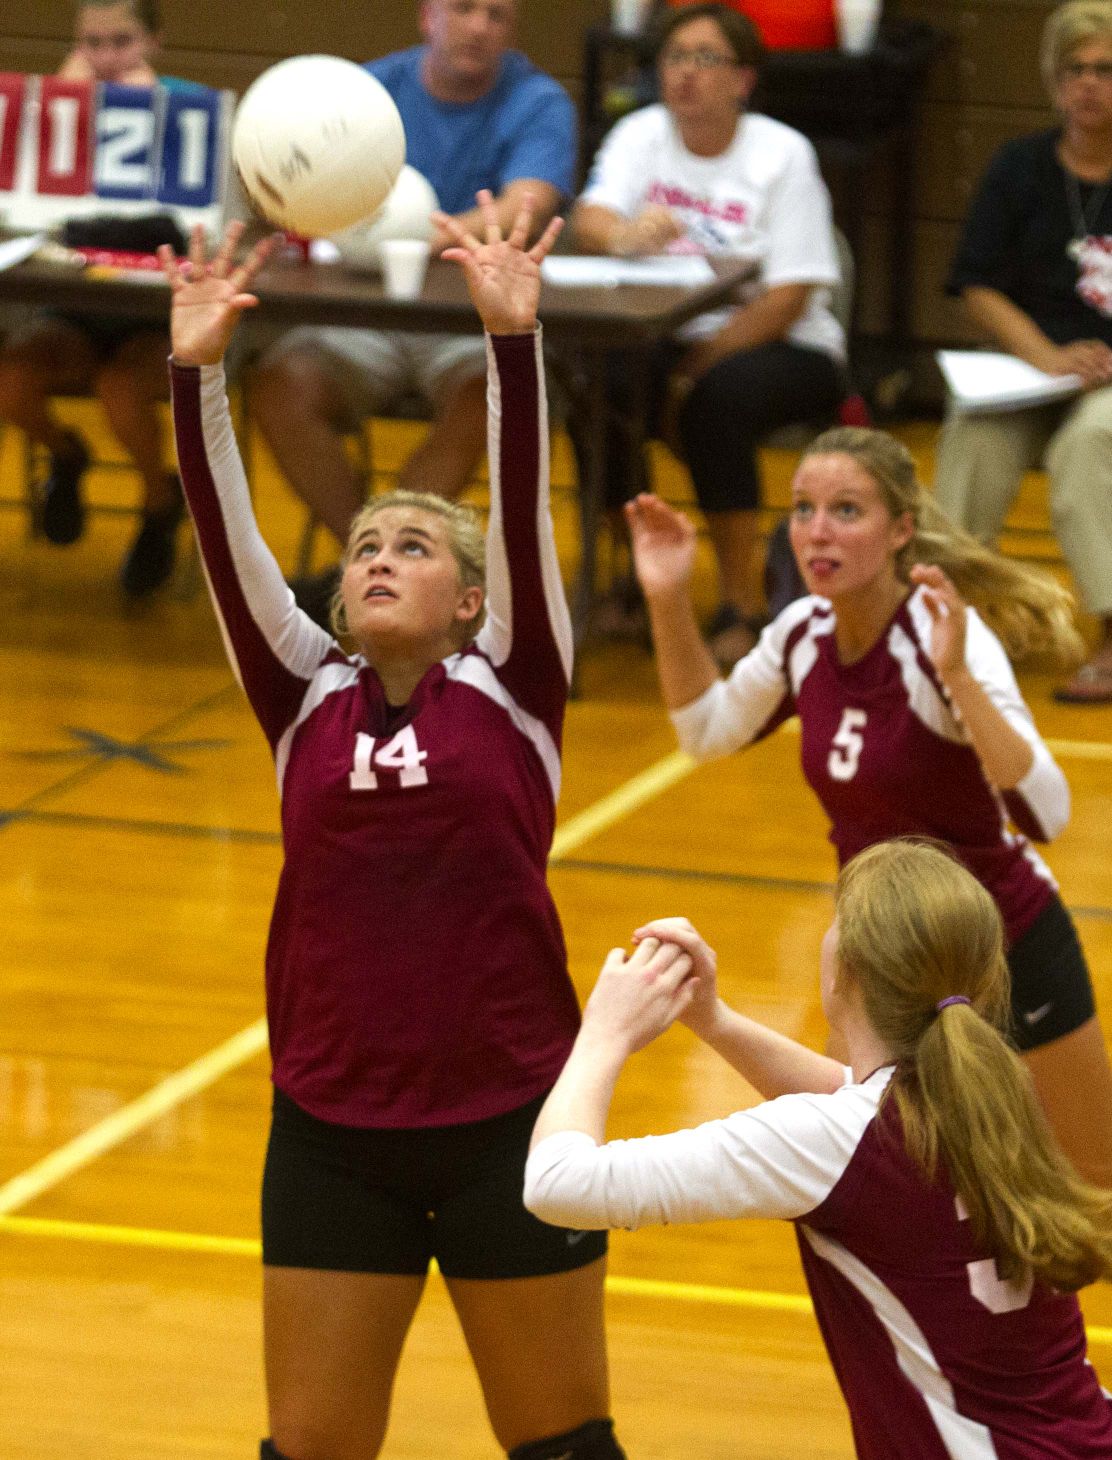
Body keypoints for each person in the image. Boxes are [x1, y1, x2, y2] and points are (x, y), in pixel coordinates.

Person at [161, 197, 627, 1460]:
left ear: (469, 598)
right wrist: (195, 371)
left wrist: (511, 340)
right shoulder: (301, 693)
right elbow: (223, 532)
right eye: (364, 543)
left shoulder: (515, 678)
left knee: (562, 1445)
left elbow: (520, 506)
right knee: (308, 1449)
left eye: (411, 545)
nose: (374, 556)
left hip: (510, 1120)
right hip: (332, 1130)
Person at [625, 424, 1112, 1187]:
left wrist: (959, 679)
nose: (818, 531)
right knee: (878, 1190)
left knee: (1093, 1184)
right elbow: (705, 731)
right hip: (880, 957)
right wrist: (668, 596)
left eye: (846, 511)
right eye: (804, 509)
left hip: (1003, 945)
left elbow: (1046, 815)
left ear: (901, 530)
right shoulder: (802, 634)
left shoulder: (941, 637)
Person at [524, 838, 1112, 1457]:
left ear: (844, 972)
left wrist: (603, 1033)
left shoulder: (842, 1141)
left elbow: (557, 1184)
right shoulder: (989, 1097)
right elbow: (850, 1106)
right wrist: (713, 1019)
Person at [250, 0, 577, 625]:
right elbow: (290, 185)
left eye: (498, 15)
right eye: (464, 8)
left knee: (487, 395)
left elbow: (527, 204)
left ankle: (380, 580)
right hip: (365, 317)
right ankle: (367, 571)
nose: (479, 26)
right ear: (429, 16)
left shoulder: (537, 101)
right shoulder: (368, 92)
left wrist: (408, 235)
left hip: (469, 323)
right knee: (278, 386)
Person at [573, 2, 845, 667]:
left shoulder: (782, 154)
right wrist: (625, 235)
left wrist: (691, 372)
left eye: (705, 58)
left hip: (779, 342)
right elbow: (591, 217)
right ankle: (637, 576)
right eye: (675, 57)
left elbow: (789, 296)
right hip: (659, 331)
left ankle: (740, 602)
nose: (686, 73)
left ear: (742, 79)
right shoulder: (640, 134)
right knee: (593, 387)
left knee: (716, 401)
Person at [935, 0, 1112, 704]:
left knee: (1088, 446)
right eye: (1075, 70)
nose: (1089, 84)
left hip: (1108, 379)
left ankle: (1110, 629)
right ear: (1053, 81)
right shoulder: (1019, 168)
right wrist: (1044, 355)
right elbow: (974, 283)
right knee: (973, 439)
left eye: (1105, 69)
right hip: (1029, 368)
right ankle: (953, 619)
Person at [0, 0, 188, 597]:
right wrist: (62, 103)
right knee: (10, 377)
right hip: (73, 307)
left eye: (121, 42)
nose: (106, 59)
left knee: (119, 388)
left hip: (149, 317)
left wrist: (147, 111)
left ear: (154, 41)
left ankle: (160, 501)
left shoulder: (187, 111)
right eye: (92, 43)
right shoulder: (50, 107)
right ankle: (66, 454)